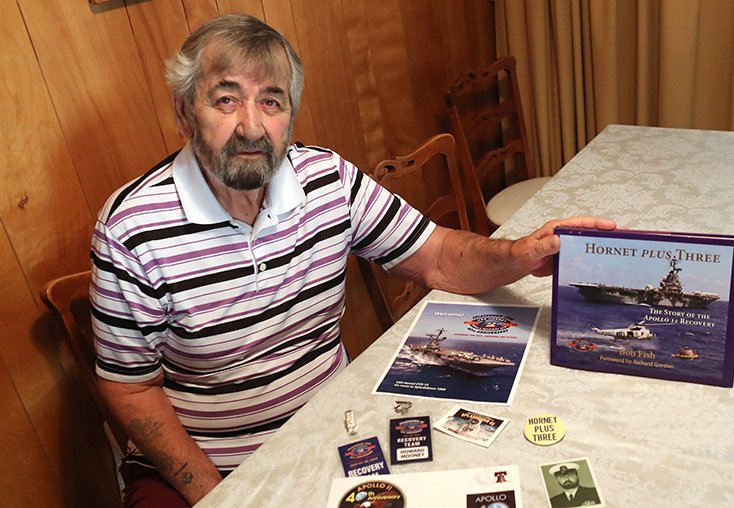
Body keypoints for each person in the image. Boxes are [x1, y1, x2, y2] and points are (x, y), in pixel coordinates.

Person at [89, 13, 615, 506]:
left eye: (271, 102)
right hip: (210, 463)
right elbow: (129, 386)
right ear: (184, 111)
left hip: (333, 430)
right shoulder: (130, 230)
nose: (251, 127)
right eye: (226, 100)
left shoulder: (328, 178)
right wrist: (223, 496)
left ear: (290, 114)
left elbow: (437, 257)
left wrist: (520, 254)